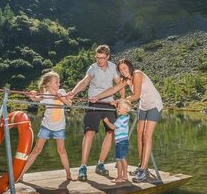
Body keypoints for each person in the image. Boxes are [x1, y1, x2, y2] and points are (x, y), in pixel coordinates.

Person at [90, 59, 163, 183]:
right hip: (144, 106)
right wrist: (97, 97)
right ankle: (142, 166)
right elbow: (112, 90)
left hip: (154, 105)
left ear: (129, 66)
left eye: (125, 68)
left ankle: (143, 170)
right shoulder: (125, 80)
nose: (123, 71)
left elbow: (137, 95)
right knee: (139, 135)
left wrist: (119, 101)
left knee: (147, 135)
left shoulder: (137, 74)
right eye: (121, 69)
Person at [68, 45, 124, 181]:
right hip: (94, 103)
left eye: (102, 58)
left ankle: (100, 163)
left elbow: (119, 84)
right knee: (89, 132)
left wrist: (121, 101)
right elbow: (85, 81)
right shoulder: (92, 68)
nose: (99, 60)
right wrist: (73, 92)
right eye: (97, 58)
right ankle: (83, 167)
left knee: (111, 132)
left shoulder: (113, 68)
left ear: (108, 57)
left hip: (109, 103)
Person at [19, 71, 74, 181]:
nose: (59, 84)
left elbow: (69, 103)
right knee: (36, 150)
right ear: (48, 84)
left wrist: (61, 98)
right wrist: (32, 95)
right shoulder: (45, 95)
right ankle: (21, 174)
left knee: (61, 150)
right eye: (56, 82)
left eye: (59, 82)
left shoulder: (62, 91)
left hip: (59, 128)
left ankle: (68, 173)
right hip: (46, 126)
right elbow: (36, 99)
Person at [103, 98, 131, 183]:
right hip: (124, 141)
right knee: (123, 159)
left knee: (119, 159)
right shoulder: (126, 117)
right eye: (118, 107)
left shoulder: (120, 119)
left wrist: (107, 121)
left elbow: (113, 127)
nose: (117, 109)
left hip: (120, 142)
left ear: (125, 109)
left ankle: (119, 177)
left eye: (119, 107)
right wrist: (117, 104)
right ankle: (125, 176)